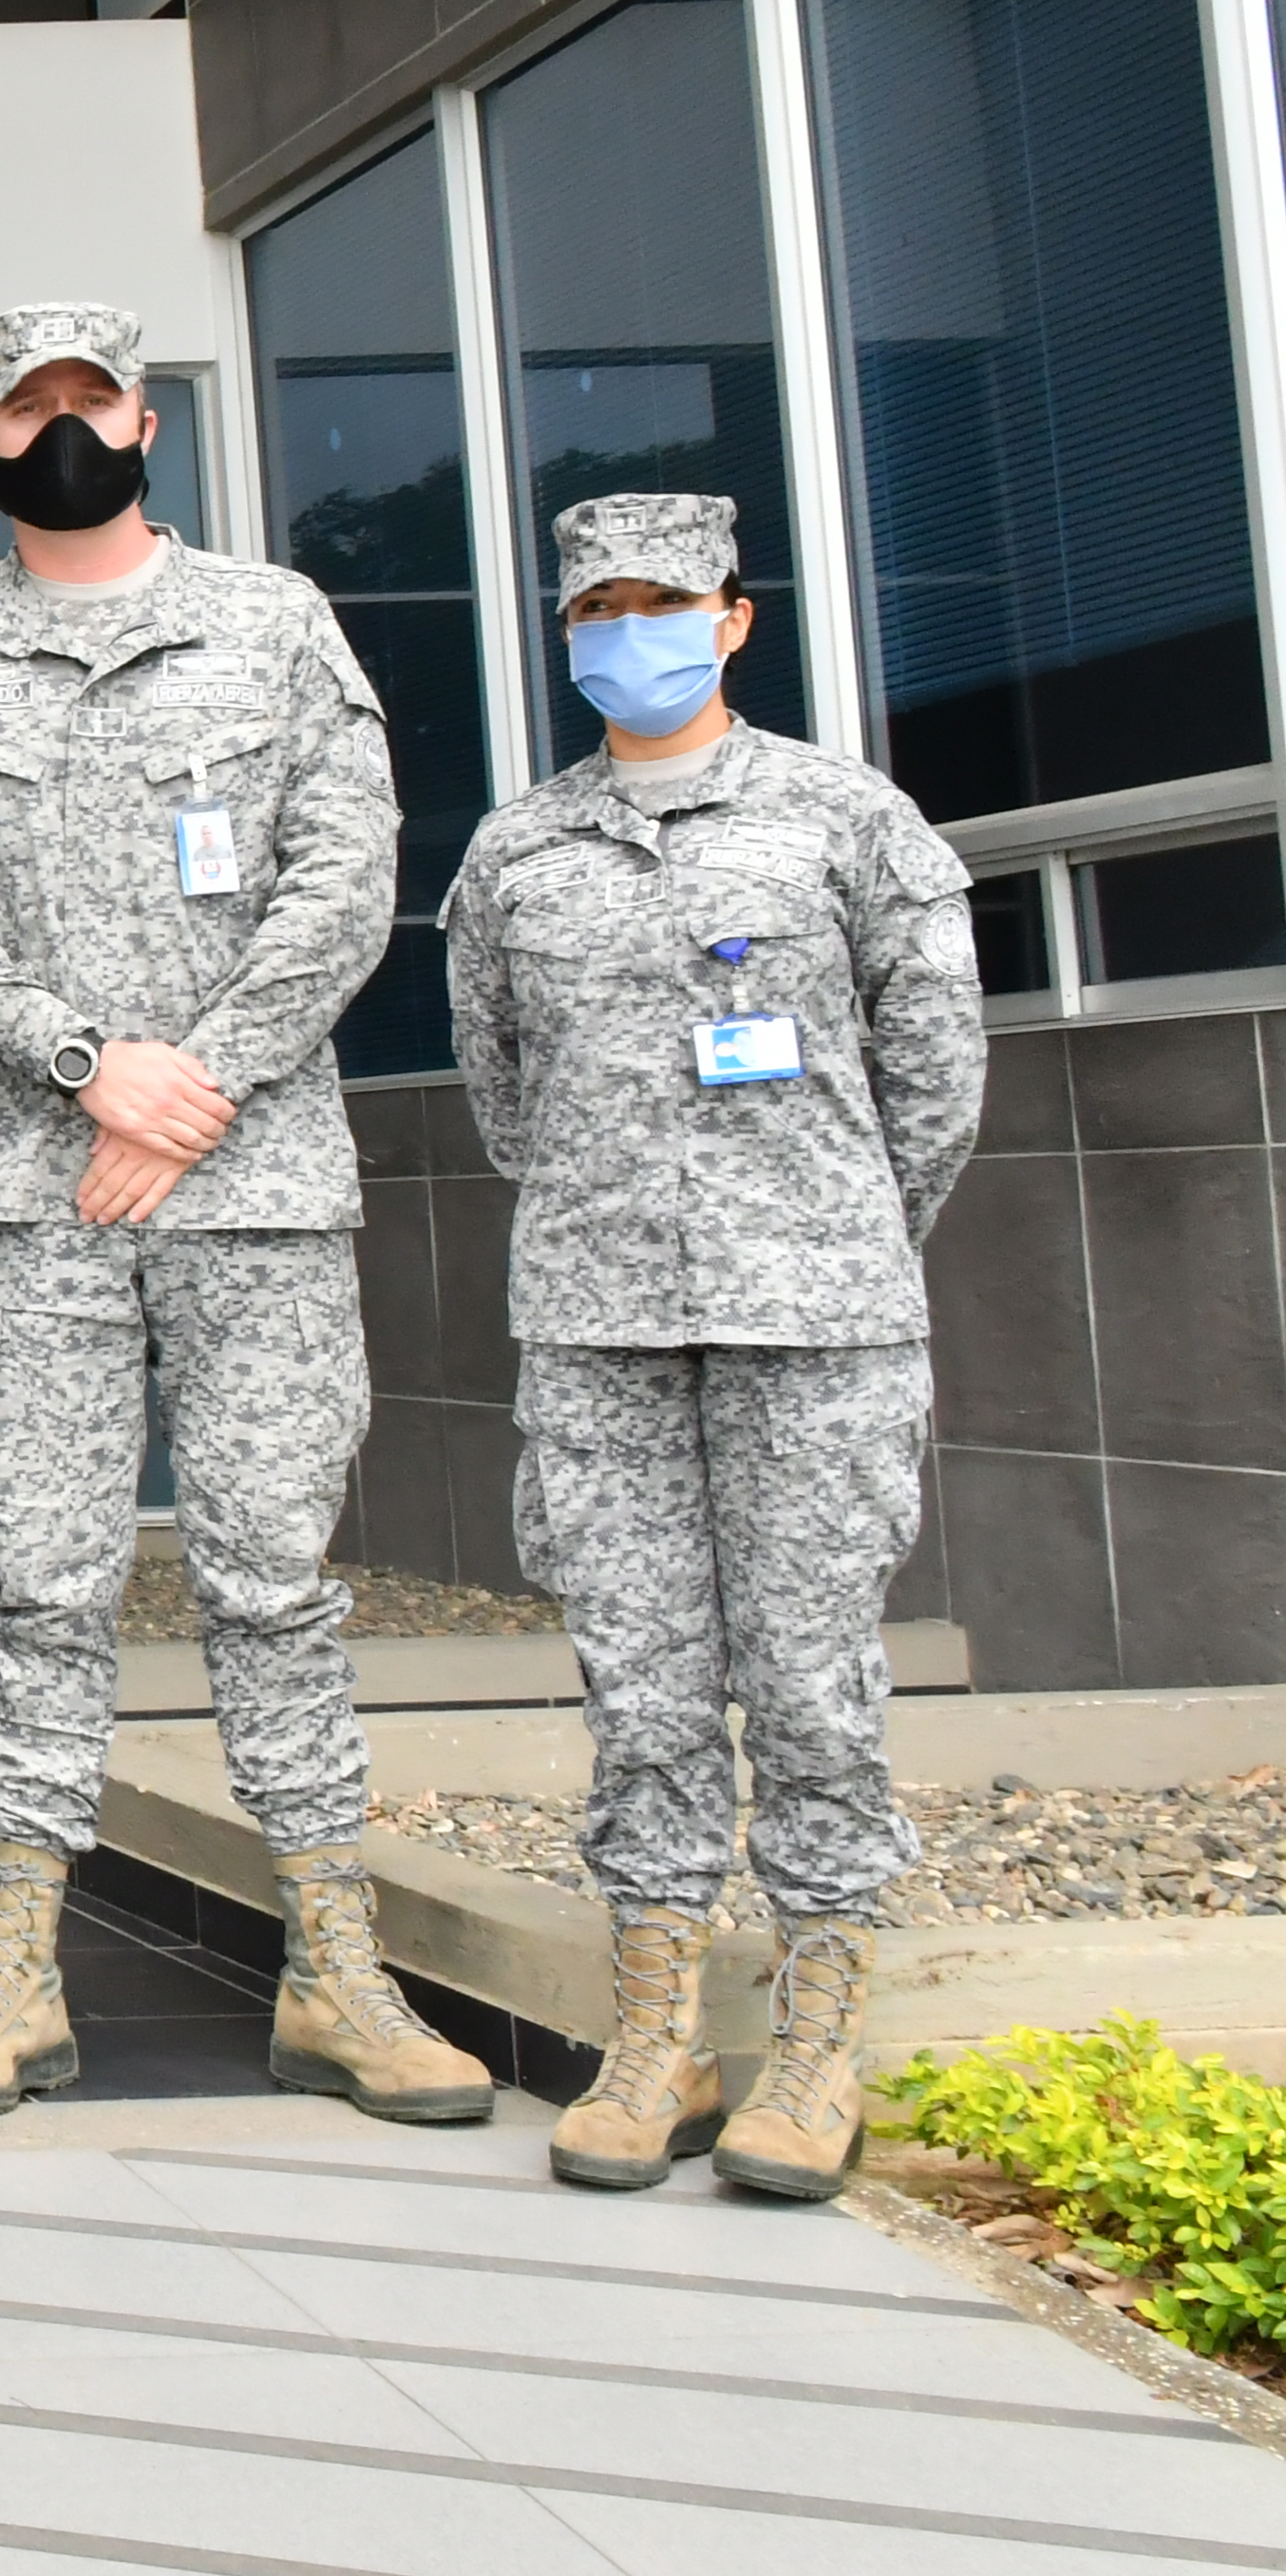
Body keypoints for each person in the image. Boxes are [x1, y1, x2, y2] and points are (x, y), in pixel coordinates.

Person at [0, 304, 487, 2127]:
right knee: (41, 1590)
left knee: (276, 1586)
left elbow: (349, 880)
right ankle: (13, 1970)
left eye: (89, 401)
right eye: (22, 410)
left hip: (256, 1186)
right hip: (25, 1193)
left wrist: (189, 1086)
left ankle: (339, 1976)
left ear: (143, 420)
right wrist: (80, 1064)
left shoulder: (275, 621)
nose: (59, 430)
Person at [445, 494, 984, 2201]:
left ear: (733, 618)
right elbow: (503, 1092)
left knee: (816, 1680)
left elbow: (937, 1082)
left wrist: (819, 1227)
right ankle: (658, 2031)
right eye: (598, 602)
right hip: (603, 1324)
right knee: (645, 1680)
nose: (630, 629)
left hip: (812, 1320)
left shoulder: (849, 822)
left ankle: (819, 2040)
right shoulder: (516, 851)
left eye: (662, 599)